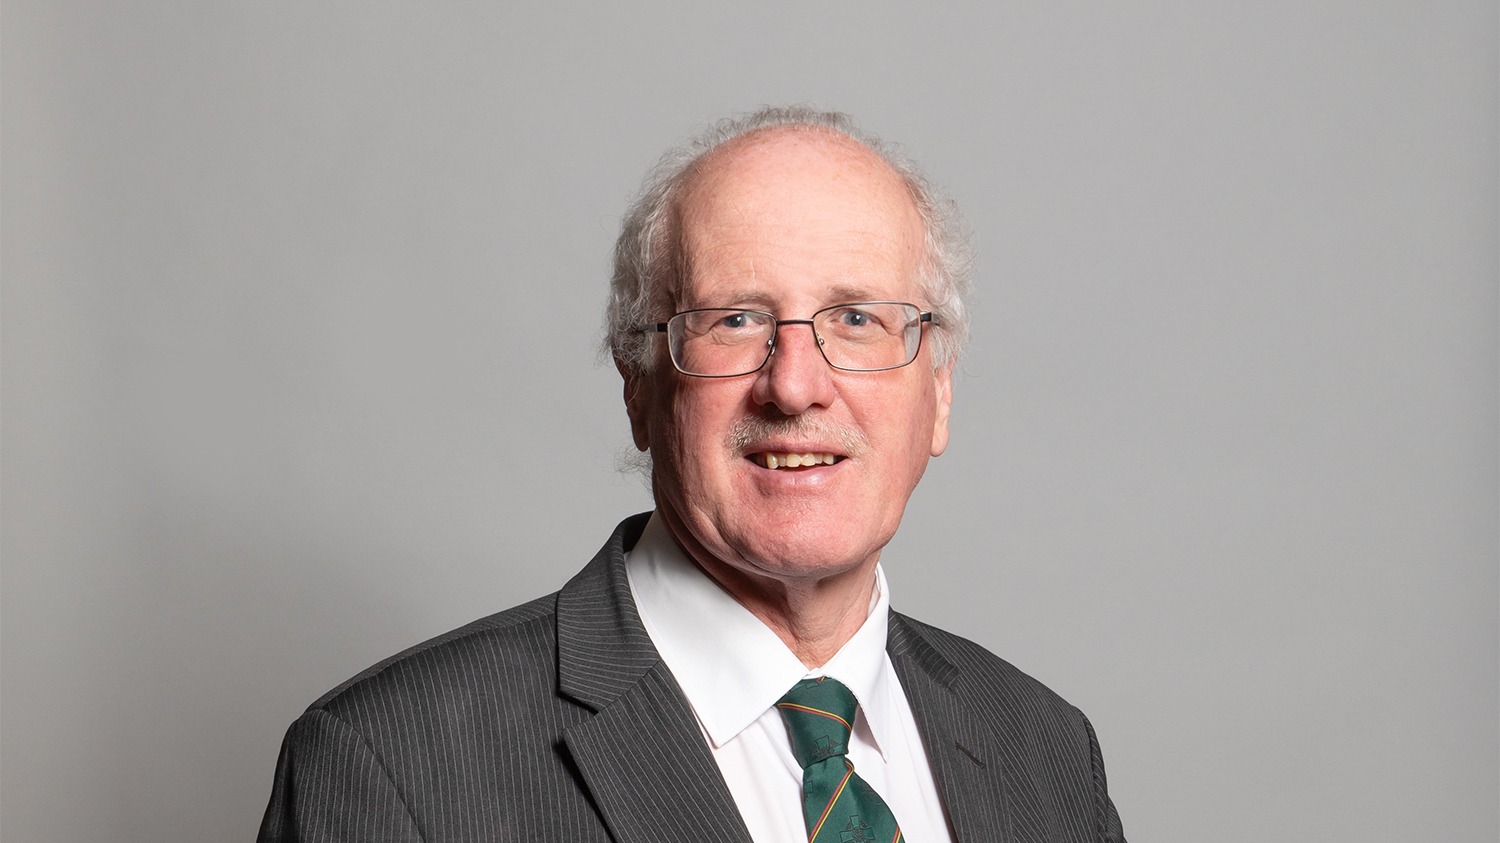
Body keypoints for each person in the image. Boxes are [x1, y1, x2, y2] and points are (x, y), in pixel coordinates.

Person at [259, 106, 1126, 842]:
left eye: (857, 318)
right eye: (735, 319)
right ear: (638, 385)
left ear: (938, 392)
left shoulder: (1048, 755)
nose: (794, 385)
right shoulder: (392, 766)